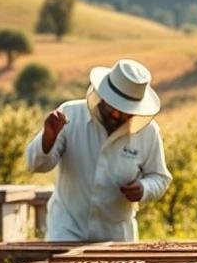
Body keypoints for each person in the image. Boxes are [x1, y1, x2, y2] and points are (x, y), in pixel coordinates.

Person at [25, 59, 171, 241]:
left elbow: (160, 178)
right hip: (67, 232)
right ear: (103, 95)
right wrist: (48, 138)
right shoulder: (70, 114)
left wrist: (144, 188)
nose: (117, 115)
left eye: (125, 111)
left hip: (117, 237)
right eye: (114, 106)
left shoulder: (149, 132)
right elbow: (35, 164)